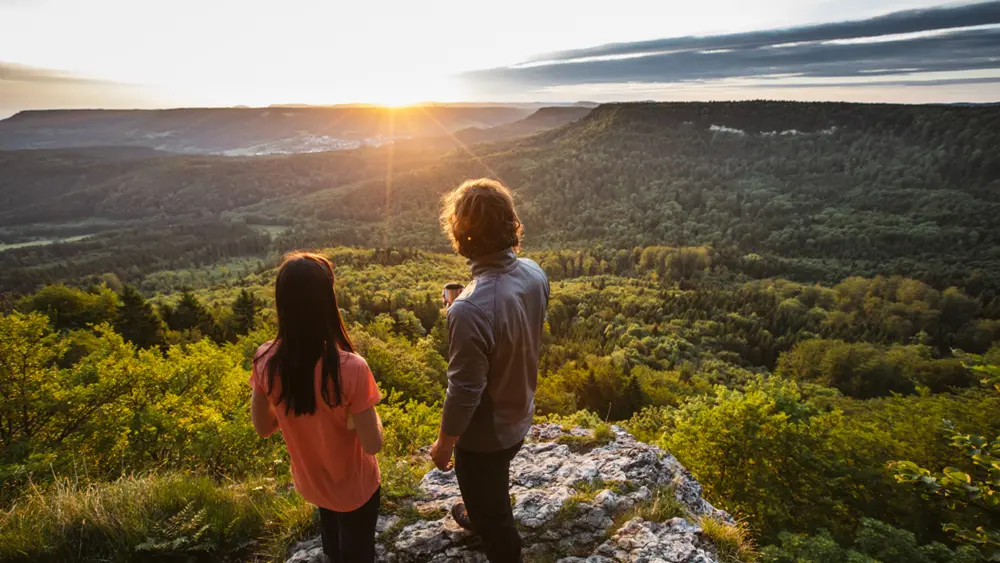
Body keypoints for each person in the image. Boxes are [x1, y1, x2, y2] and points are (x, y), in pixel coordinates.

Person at [431, 178, 549, 563]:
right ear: (511, 224)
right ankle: (482, 508)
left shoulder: (469, 309)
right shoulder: (534, 273)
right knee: (491, 482)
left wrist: (445, 444)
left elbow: (464, 391)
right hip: (520, 412)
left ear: (461, 237)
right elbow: (511, 329)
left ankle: (490, 525)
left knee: (497, 521)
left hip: (486, 437)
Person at [250, 252, 383, 563]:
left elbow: (263, 427)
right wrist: (370, 418)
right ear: (327, 302)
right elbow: (373, 443)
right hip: (356, 488)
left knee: (334, 544)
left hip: (312, 483)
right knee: (359, 552)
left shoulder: (265, 359)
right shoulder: (351, 368)